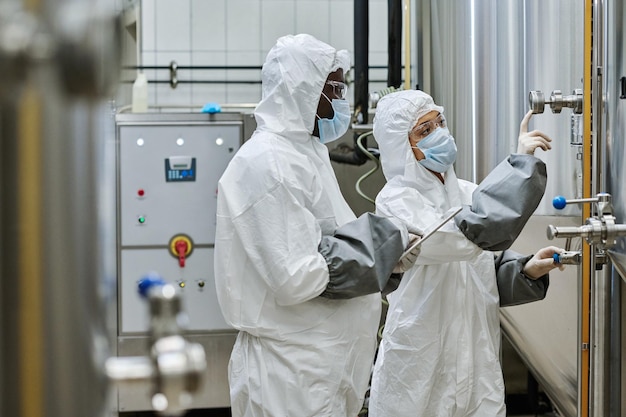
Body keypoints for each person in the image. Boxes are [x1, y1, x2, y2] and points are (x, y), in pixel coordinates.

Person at [213, 34, 420, 417]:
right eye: (336, 87)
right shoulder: (269, 164)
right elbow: (297, 275)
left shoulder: (306, 152)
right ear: (303, 88)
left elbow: (328, 239)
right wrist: (378, 246)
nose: (342, 99)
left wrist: (386, 258)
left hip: (321, 364)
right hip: (291, 375)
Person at [367, 89, 565, 417]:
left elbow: (480, 268)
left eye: (439, 122)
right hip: (422, 369)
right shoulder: (396, 202)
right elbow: (463, 240)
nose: (439, 133)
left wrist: (526, 269)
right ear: (402, 146)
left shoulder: (469, 192)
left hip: (477, 365)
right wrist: (518, 167)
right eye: (425, 130)